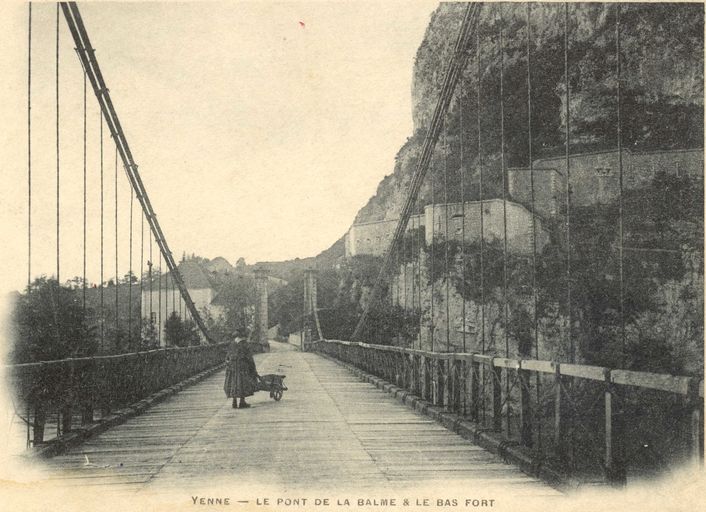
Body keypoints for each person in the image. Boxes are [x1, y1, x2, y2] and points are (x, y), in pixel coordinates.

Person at [224, 333, 259, 409]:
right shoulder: (244, 344)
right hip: (242, 366)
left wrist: (229, 364)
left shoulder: (232, 344)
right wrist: (253, 368)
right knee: (243, 382)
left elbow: (227, 357)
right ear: (243, 336)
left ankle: (234, 402)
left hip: (232, 366)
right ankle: (242, 402)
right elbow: (249, 357)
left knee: (234, 382)